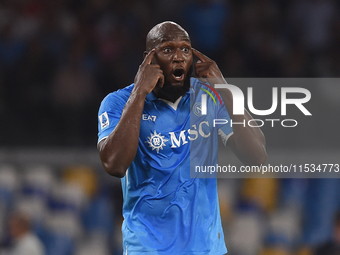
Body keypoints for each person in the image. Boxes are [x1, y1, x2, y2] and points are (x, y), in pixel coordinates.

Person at [97, 21, 266, 254]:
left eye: (185, 49)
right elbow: (114, 164)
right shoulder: (117, 102)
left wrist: (225, 89)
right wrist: (139, 92)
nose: (179, 57)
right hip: (148, 248)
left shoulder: (209, 98)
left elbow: (257, 157)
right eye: (168, 50)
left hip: (206, 249)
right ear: (149, 59)